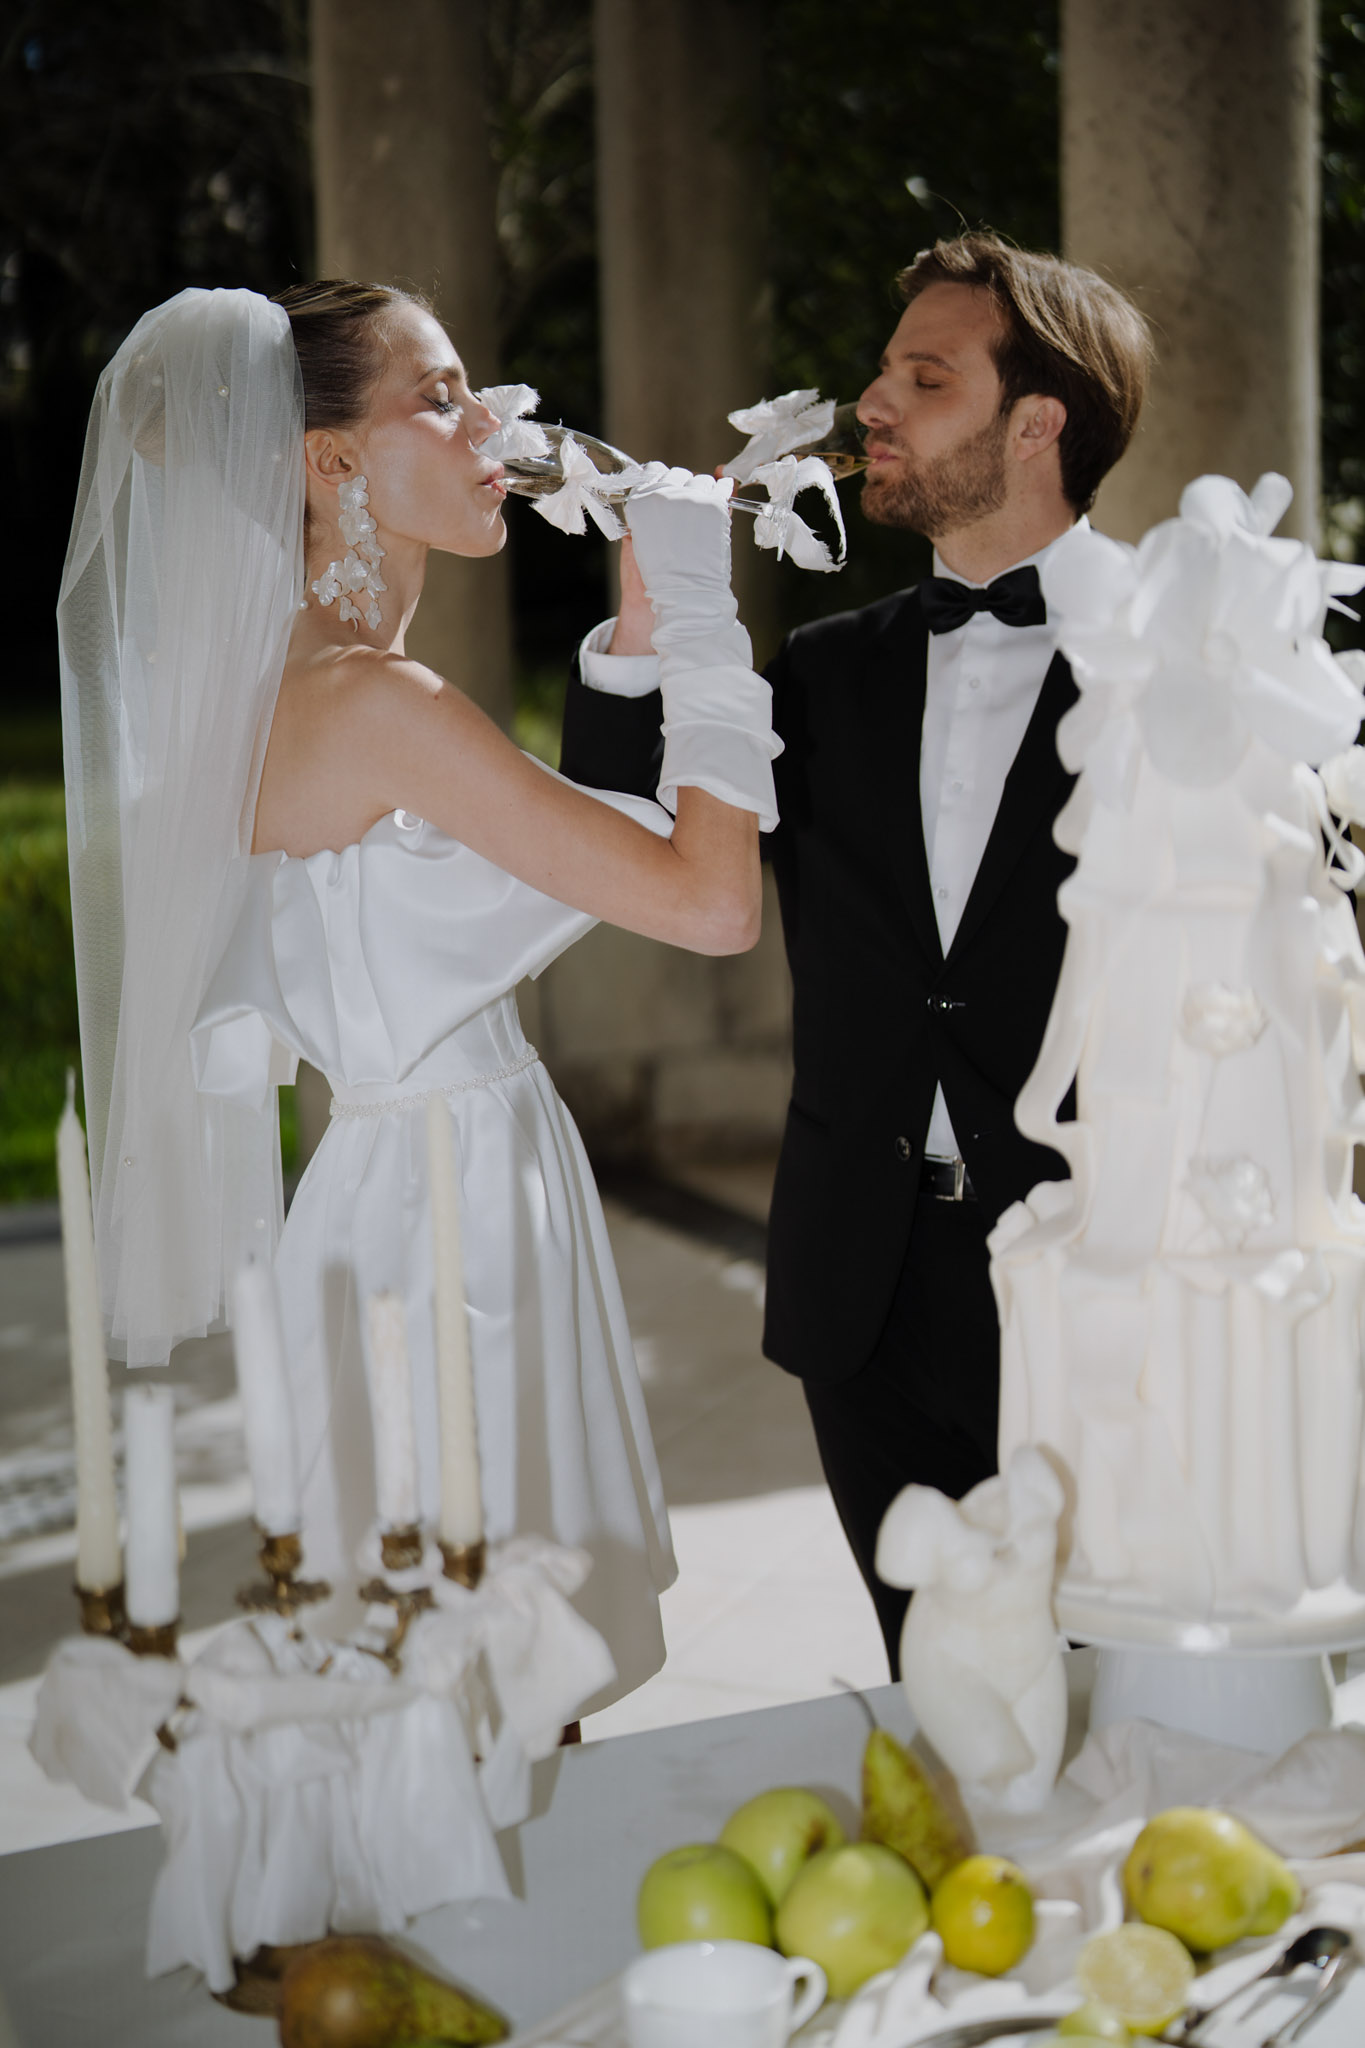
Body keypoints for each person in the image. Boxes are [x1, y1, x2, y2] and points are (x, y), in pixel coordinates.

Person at [58, 280, 779, 1711]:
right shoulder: (375, 706)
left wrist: (631, 640)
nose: (492, 421)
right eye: (439, 394)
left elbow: (559, 867)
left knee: (480, 1670)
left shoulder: (325, 685)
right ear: (329, 461)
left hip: (439, 1176)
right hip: (445, 1232)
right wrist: (703, 615)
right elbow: (708, 902)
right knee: (467, 1669)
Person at [558, 233, 1153, 1668]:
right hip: (860, 1289)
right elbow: (621, 849)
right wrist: (646, 619)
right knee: (937, 1700)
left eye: (921, 377)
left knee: (1117, 1707)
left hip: (1098, 1284)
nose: (865, 408)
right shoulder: (824, 674)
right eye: (882, 373)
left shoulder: (1177, 654)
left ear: (1035, 425)